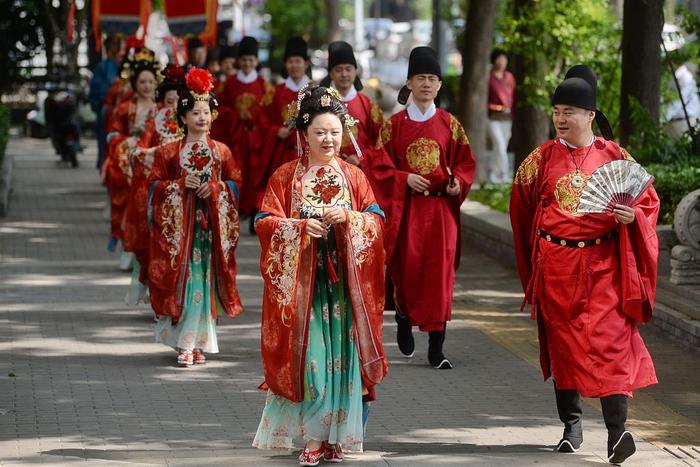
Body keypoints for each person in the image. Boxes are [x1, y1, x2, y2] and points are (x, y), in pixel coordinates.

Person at [509, 65, 659, 465]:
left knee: (611, 345)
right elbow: (521, 213)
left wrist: (633, 218)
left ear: (590, 115)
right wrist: (536, 261)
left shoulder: (616, 156)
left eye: (569, 111)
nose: (560, 119)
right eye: (557, 111)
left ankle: (617, 433)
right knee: (565, 348)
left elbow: (647, 202)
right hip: (557, 266)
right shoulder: (538, 160)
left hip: (604, 265)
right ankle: (571, 426)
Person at [252, 85, 387, 465]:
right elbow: (264, 221)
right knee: (313, 358)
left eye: (334, 132)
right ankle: (313, 438)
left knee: (341, 360)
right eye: (319, 133)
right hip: (303, 288)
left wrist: (350, 219)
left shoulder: (354, 177)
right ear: (303, 134)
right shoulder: (286, 177)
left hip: (344, 287)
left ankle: (335, 437)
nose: (328, 139)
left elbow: (377, 220)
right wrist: (297, 228)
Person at [371, 46, 476, 369]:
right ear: (409, 82)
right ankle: (403, 314)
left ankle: (436, 348)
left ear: (440, 85)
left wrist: (458, 181)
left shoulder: (450, 124)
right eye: (421, 78)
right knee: (407, 271)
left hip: (441, 212)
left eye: (432, 78)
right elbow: (378, 167)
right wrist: (404, 178)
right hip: (409, 212)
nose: (427, 84)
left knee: (440, 278)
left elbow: (464, 164)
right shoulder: (395, 125)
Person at [148, 68, 243, 366]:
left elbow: (236, 185)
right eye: (195, 112)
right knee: (186, 281)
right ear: (183, 117)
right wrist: (178, 186)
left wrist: (216, 189)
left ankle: (199, 341)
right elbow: (152, 187)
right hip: (181, 234)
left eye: (206, 112)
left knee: (203, 283)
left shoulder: (222, 152)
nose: (202, 118)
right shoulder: (169, 152)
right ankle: (186, 343)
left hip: (208, 231)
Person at [122, 64, 186, 306]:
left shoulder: (190, 122)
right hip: (161, 192)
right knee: (156, 243)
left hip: (183, 191)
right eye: (169, 100)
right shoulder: (155, 122)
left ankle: (177, 294)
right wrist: (156, 153)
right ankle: (157, 292)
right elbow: (141, 151)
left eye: (177, 100)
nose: (172, 105)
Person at [104, 50, 159, 269]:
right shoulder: (125, 108)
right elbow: (112, 134)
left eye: (151, 81)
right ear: (135, 83)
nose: (146, 85)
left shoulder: (162, 109)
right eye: (142, 81)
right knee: (130, 208)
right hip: (130, 163)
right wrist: (127, 142)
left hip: (154, 164)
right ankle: (129, 250)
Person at [217, 35, 274, 225]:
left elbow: (268, 113)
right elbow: (219, 109)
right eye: (244, 59)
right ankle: (234, 207)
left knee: (255, 175)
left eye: (251, 59)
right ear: (238, 61)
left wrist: (256, 121)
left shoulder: (264, 86)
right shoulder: (229, 83)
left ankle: (253, 211)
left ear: (256, 61)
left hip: (256, 138)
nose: (248, 63)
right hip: (235, 139)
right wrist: (235, 114)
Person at [256, 37, 312, 211]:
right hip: (281, 154)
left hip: (309, 155)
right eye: (290, 61)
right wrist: (275, 130)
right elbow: (262, 120)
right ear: (285, 64)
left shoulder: (315, 92)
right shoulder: (275, 93)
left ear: (306, 63)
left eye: (298, 61)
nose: (294, 65)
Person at [320, 41, 384, 171]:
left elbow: (380, 140)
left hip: (362, 172)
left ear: (355, 71)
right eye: (338, 70)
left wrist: (360, 157)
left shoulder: (368, 105)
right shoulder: (320, 104)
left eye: (348, 69)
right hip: (328, 172)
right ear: (331, 73)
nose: (344, 74)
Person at [89, 34, 124, 169]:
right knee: (105, 146)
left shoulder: (124, 66)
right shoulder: (102, 67)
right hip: (107, 113)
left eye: (118, 44)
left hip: (123, 114)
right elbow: (95, 94)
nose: (116, 47)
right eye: (114, 44)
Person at [486, 48, 516, 184]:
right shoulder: (489, 77)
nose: (502, 61)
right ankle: (504, 173)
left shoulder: (509, 77)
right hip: (493, 117)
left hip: (507, 118)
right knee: (499, 144)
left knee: (500, 147)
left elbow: (513, 97)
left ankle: (493, 172)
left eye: (504, 59)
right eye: (499, 58)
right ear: (494, 60)